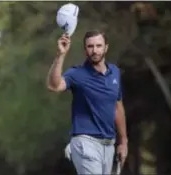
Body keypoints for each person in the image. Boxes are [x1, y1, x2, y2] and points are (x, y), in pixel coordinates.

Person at [46, 30, 128, 174]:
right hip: (85, 143)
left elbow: (117, 107)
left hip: (108, 145)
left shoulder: (114, 72)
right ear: (85, 50)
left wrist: (123, 142)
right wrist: (61, 55)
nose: (94, 50)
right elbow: (54, 85)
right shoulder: (77, 74)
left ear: (106, 48)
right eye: (90, 46)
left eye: (98, 45)